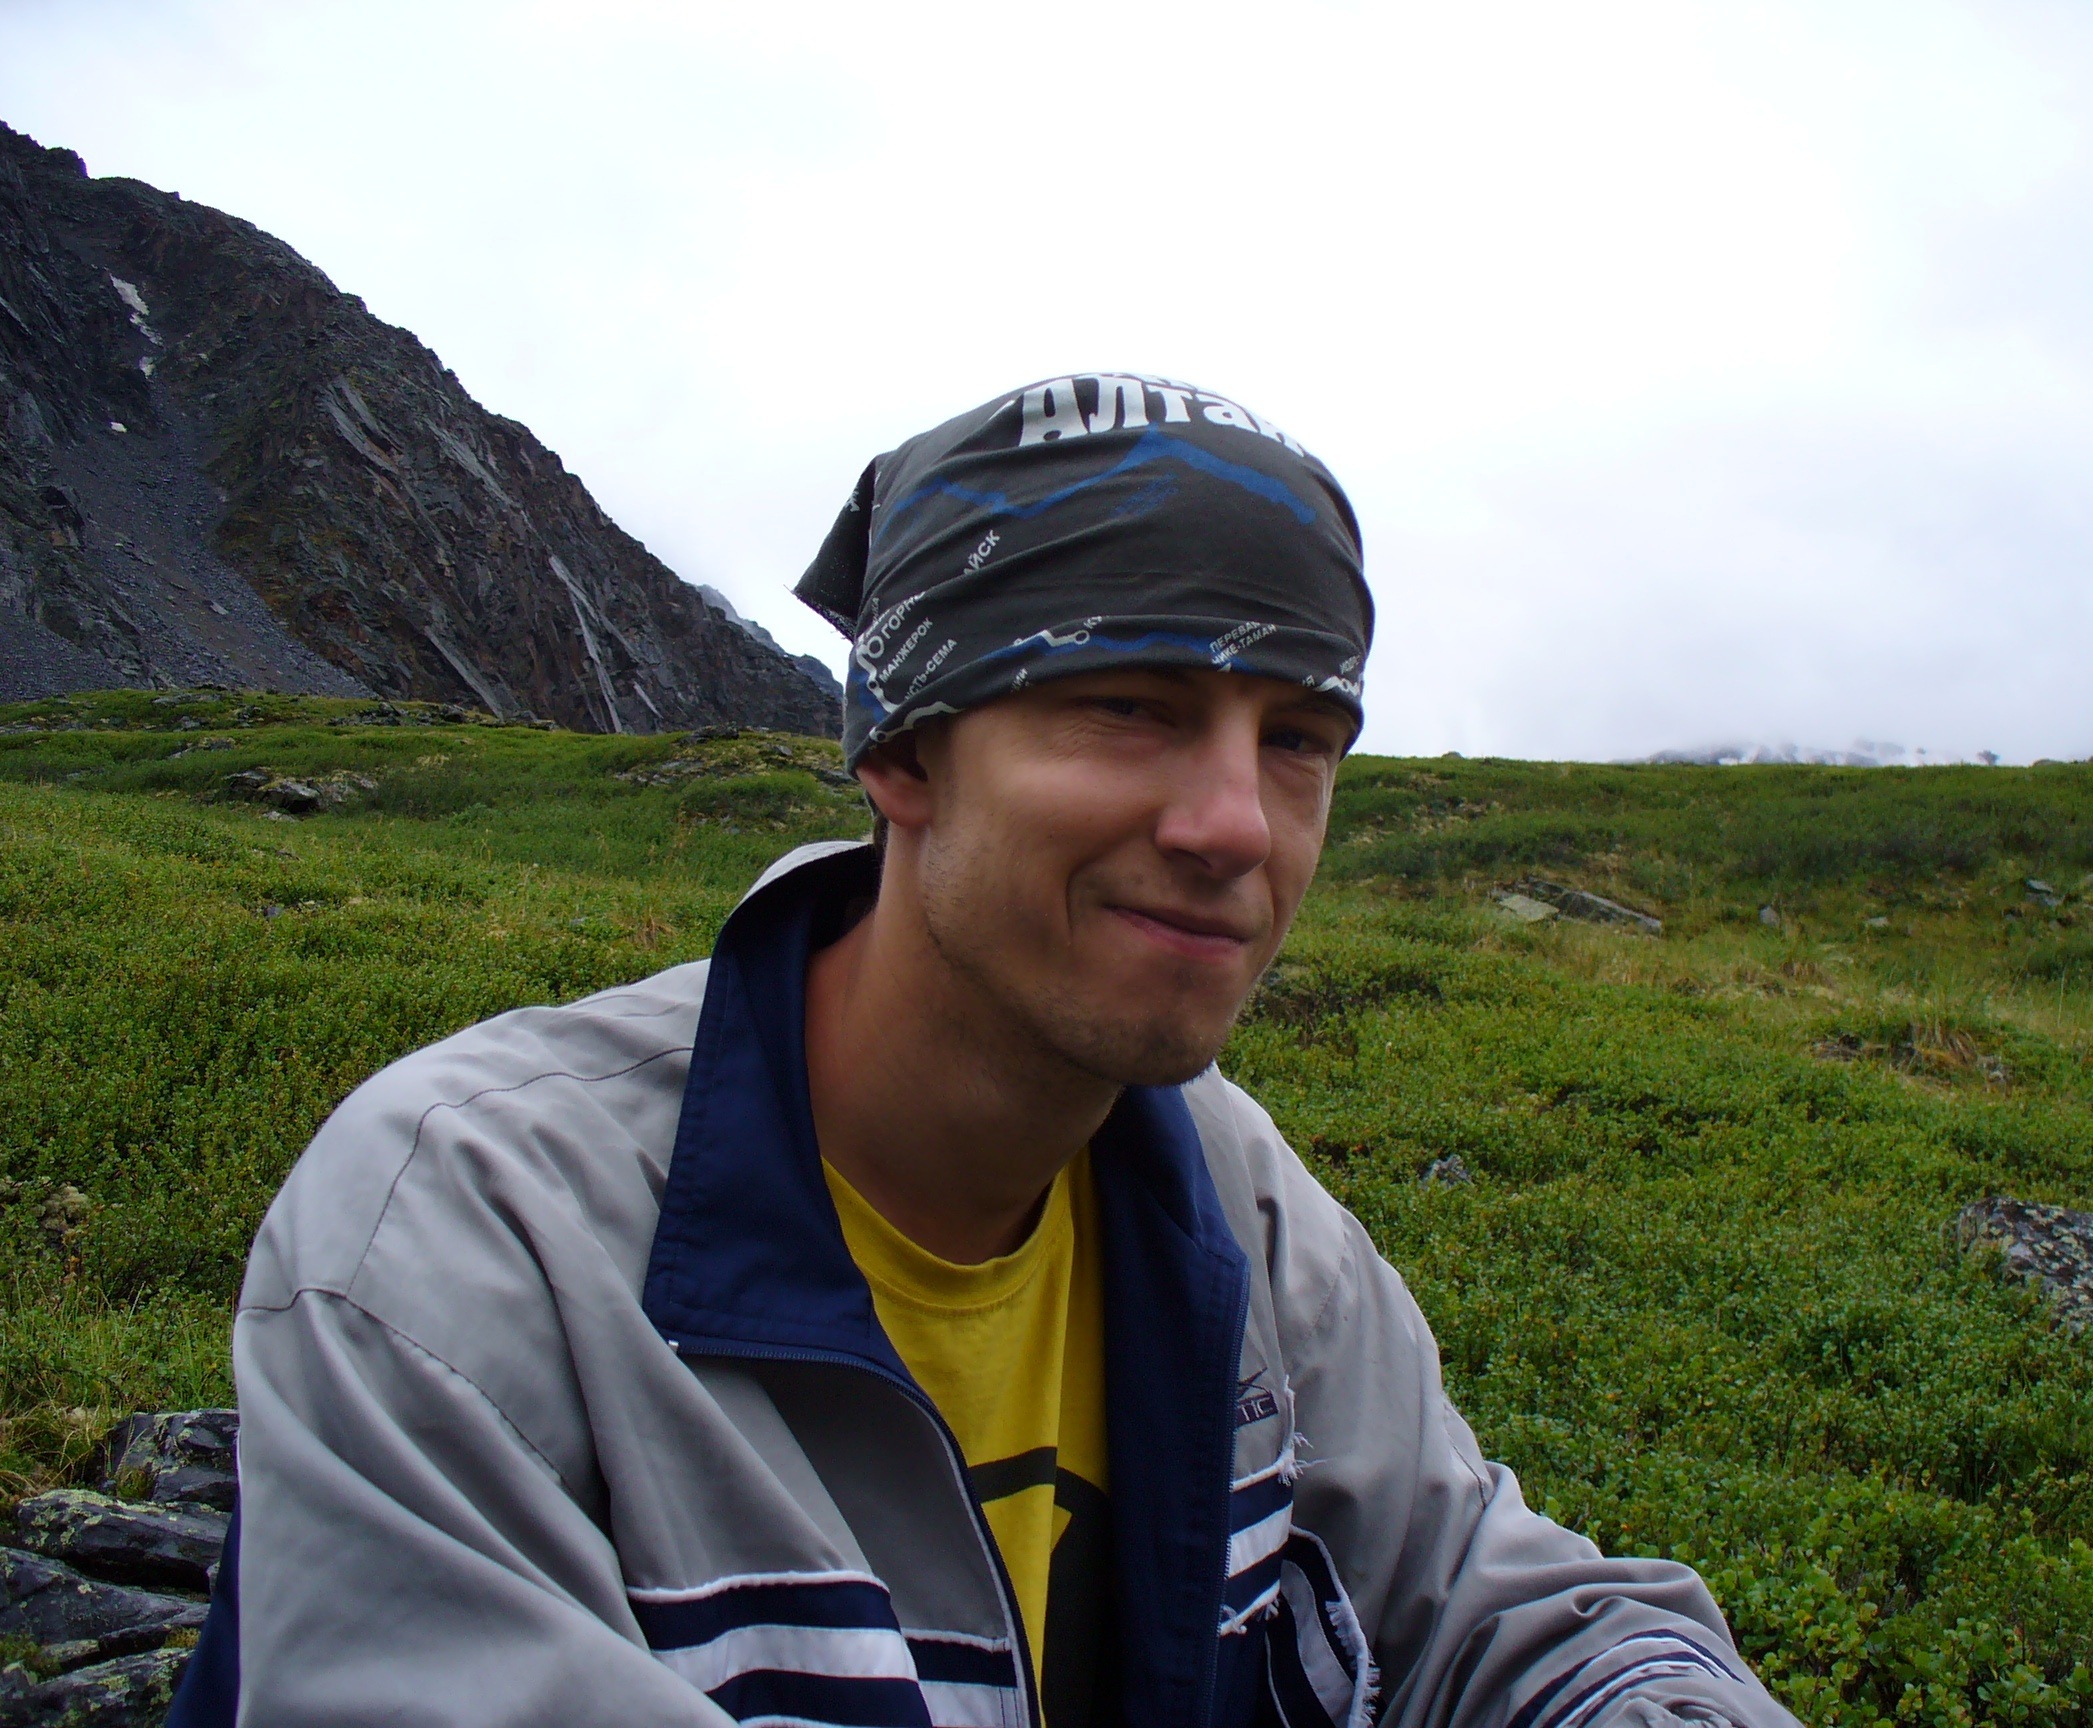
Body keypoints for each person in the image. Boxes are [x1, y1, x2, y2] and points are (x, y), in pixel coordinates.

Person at [170, 375, 1795, 1728]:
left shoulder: (1226, 1191)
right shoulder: (469, 1229)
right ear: (901, 756)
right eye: (1130, 709)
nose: (1237, 825)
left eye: (1297, 739)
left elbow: (1488, 1609)